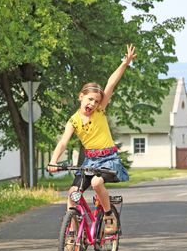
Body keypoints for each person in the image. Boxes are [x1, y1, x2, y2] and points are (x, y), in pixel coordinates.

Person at [48, 44, 137, 234]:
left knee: (97, 183)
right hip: (90, 161)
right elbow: (63, 142)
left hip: (108, 160)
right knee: (72, 194)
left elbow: (111, 84)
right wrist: (54, 161)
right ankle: (71, 234)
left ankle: (108, 215)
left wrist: (125, 63)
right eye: (89, 99)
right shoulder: (73, 120)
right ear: (81, 97)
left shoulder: (100, 112)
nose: (92, 103)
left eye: (96, 101)